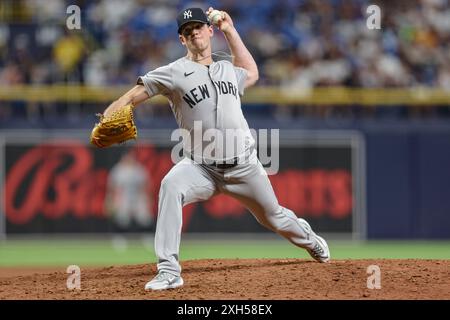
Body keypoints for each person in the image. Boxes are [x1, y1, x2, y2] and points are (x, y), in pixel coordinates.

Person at [101, 7, 330, 291]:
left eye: (198, 26)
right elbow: (133, 96)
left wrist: (230, 29)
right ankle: (169, 270)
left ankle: (310, 240)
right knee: (171, 185)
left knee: (274, 217)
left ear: (210, 31)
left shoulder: (226, 69)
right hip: (200, 167)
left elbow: (252, 73)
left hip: (244, 166)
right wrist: (109, 114)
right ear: (182, 40)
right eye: (187, 31)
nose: (193, 32)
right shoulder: (172, 72)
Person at [105, 152, 153, 231]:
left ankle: (145, 236)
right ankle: (121, 237)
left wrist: (148, 200)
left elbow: (145, 187)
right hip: (123, 198)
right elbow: (112, 188)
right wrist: (110, 201)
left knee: (144, 218)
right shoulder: (117, 170)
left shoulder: (139, 170)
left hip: (137, 197)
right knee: (122, 218)